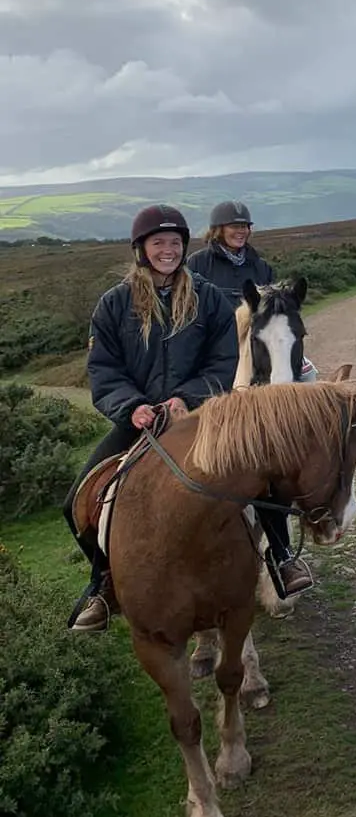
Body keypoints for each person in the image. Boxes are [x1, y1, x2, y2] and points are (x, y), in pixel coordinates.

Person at [62, 204, 303, 633]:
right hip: (138, 420)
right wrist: (131, 406)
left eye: (175, 243)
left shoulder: (207, 297)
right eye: (159, 243)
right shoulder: (114, 305)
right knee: (77, 503)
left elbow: (223, 359)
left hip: (201, 414)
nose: (168, 251)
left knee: (268, 479)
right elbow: (103, 369)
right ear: (141, 249)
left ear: (185, 246)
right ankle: (103, 584)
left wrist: (186, 398)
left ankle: (282, 558)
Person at [185, 200, 316, 591]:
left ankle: (282, 555)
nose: (240, 231)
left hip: (257, 359)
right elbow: (192, 315)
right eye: (233, 226)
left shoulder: (260, 267)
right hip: (214, 357)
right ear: (217, 230)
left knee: (270, 457)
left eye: (245, 226)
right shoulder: (198, 266)